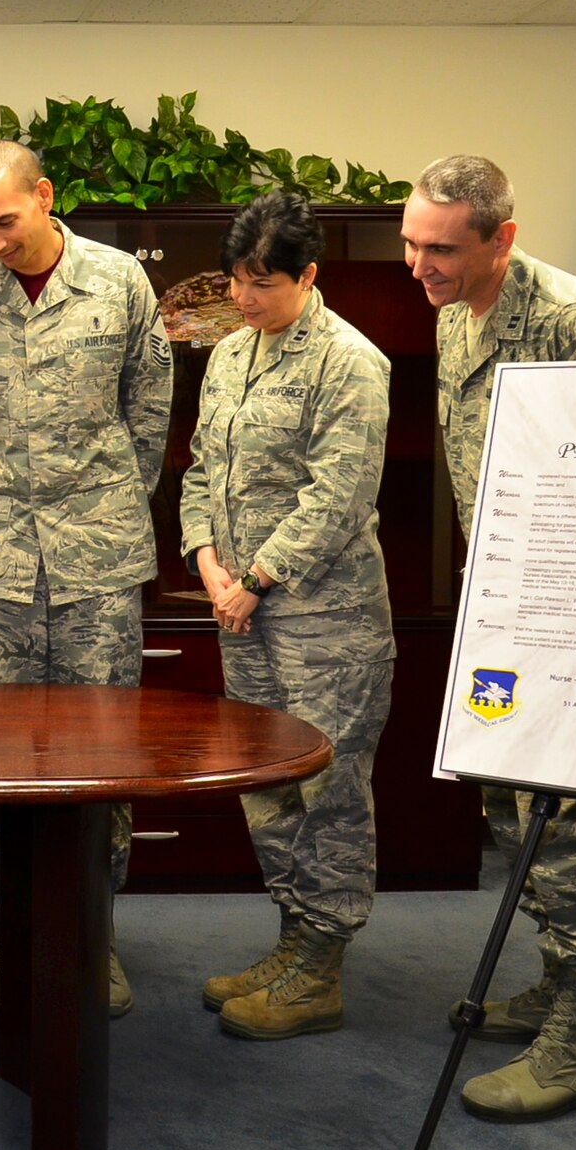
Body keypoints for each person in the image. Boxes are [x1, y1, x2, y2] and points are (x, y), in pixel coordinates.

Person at [0, 138, 171, 1015]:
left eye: (6, 222)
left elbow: (151, 408)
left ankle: (96, 938)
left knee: (102, 760)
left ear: (46, 197)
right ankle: (10, 933)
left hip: (98, 566)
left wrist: (104, 502)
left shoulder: (121, 283)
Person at [403, 154, 576, 1123]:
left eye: (441, 249)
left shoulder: (574, 322)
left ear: (499, 238)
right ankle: (561, 982)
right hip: (496, 604)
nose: (418, 266)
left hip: (575, 616)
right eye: (411, 243)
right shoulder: (447, 310)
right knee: (516, 815)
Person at [180, 192, 395, 1039]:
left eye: (261, 283)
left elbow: (337, 496)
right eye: (236, 279)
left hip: (324, 623)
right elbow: (201, 468)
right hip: (242, 615)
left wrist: (255, 578)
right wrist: (204, 558)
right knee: (267, 785)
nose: (242, 298)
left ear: (308, 275)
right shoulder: (232, 356)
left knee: (327, 789)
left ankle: (322, 968)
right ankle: (293, 939)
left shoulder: (351, 362)